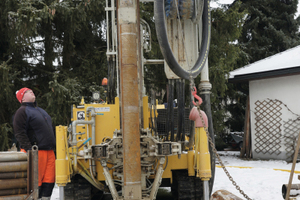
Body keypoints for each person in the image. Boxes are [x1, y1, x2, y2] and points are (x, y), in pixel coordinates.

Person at [13, 87, 56, 200]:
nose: (31, 91)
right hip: (36, 152)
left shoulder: (41, 110)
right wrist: (30, 150)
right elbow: (19, 132)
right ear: (22, 98)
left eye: (31, 90)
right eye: (27, 92)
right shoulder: (22, 111)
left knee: (49, 181)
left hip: (49, 151)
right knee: (35, 183)